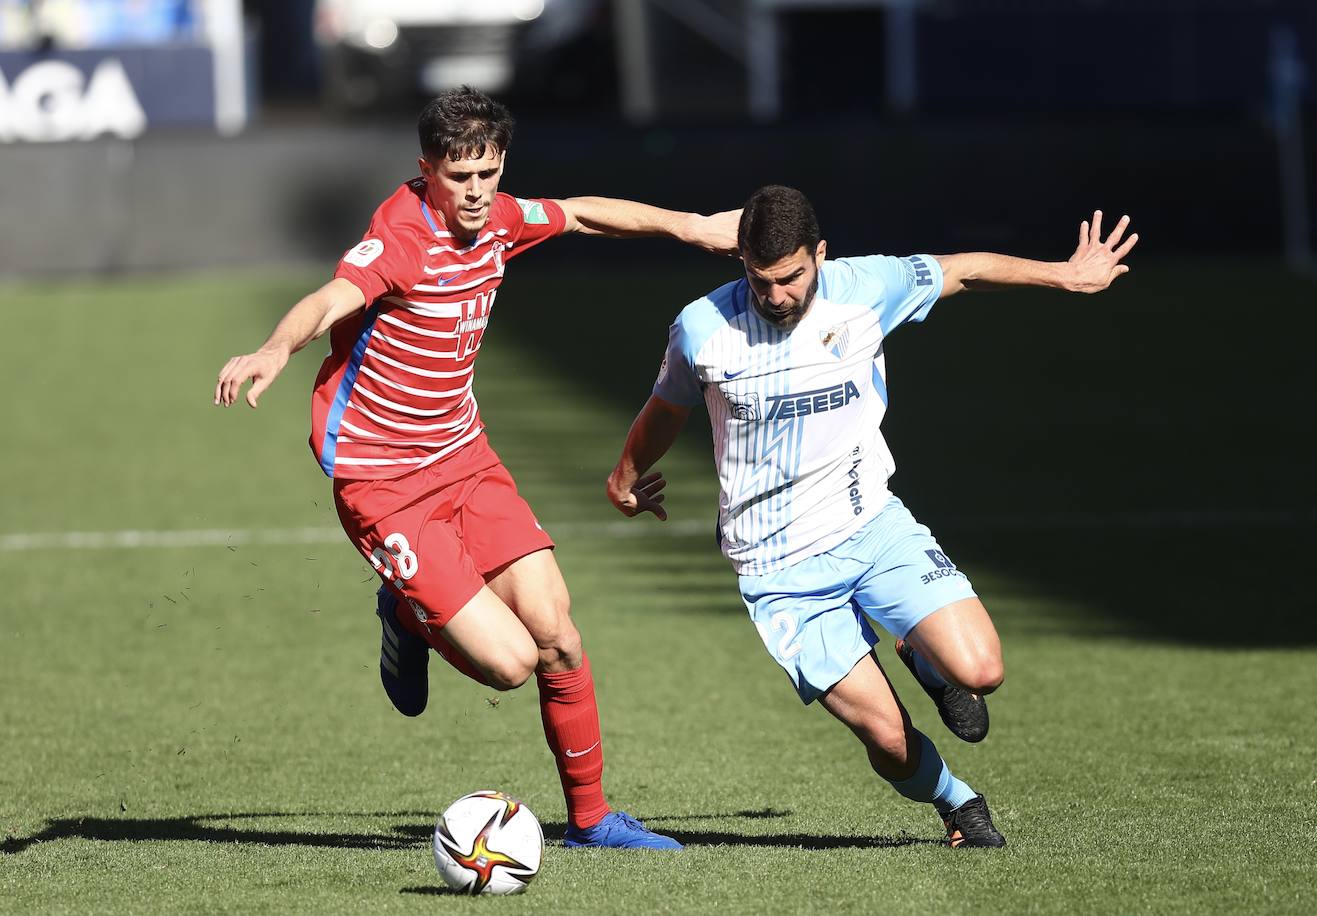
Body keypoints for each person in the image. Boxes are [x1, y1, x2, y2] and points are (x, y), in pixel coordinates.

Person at [213, 87, 740, 850]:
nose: (476, 191)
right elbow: (331, 297)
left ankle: (591, 821)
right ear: (426, 169)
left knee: (559, 634)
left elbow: (582, 212)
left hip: (463, 457)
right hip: (382, 483)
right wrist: (272, 350)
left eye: (488, 173)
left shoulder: (497, 219)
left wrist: (688, 226)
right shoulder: (398, 239)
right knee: (512, 665)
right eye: (458, 176)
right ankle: (403, 613)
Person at [606, 185, 1138, 847]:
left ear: (820, 256)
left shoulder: (865, 288)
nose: (775, 296)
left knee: (982, 672)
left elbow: (962, 269)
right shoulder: (702, 330)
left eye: (791, 277)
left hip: (872, 526)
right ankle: (957, 803)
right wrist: (624, 478)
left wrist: (1063, 274)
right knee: (887, 738)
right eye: (758, 279)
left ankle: (920, 653)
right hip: (778, 570)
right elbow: (665, 409)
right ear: (740, 261)